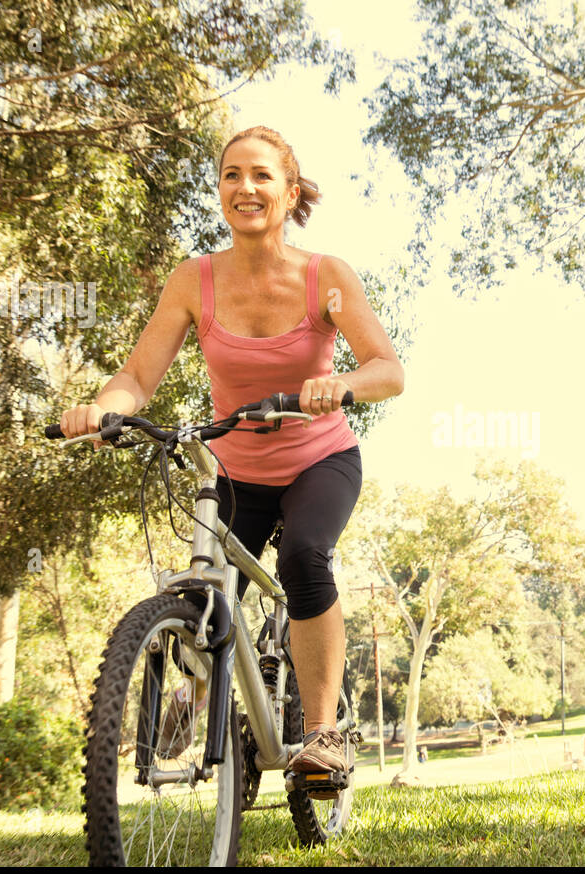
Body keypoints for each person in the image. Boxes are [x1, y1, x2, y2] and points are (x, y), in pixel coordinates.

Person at [59, 125, 404, 786]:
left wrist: (342, 385)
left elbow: (388, 370)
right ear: (220, 190)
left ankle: (323, 733)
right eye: (231, 175)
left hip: (319, 462)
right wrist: (105, 409)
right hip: (236, 471)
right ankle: (196, 706)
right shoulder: (194, 280)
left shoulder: (325, 277)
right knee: (204, 592)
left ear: (290, 190)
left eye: (262, 175)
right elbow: (138, 375)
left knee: (304, 556)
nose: (245, 187)